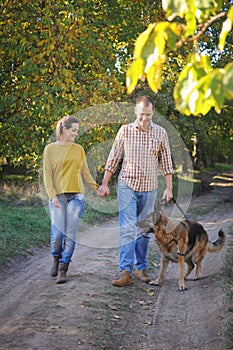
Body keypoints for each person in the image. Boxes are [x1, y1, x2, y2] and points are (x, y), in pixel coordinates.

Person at [97, 96, 174, 287]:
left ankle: (140, 268)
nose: (144, 119)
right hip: (127, 185)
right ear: (135, 113)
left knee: (143, 230)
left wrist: (169, 187)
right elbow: (113, 158)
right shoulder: (125, 131)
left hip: (149, 188)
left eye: (148, 115)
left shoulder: (161, 133)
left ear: (153, 113)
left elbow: (166, 161)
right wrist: (105, 183)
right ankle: (125, 272)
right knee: (127, 229)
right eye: (141, 115)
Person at [43, 116, 99, 284]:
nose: (76, 133)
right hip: (57, 197)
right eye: (73, 130)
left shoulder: (79, 149)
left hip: (77, 197)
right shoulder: (50, 149)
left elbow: (85, 172)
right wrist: (52, 195)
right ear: (64, 130)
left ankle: (63, 267)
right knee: (57, 235)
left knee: (70, 233)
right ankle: (56, 258)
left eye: (77, 130)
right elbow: (47, 175)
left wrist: (97, 188)